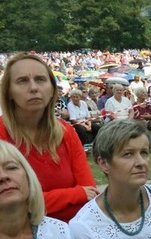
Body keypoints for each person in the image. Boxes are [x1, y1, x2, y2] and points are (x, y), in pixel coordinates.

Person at [0, 52, 97, 222]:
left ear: (52, 89)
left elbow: (90, 193)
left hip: (72, 231)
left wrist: (43, 200)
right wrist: (74, 194)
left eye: (40, 79)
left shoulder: (66, 132)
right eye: (22, 81)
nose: (33, 88)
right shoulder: (2, 135)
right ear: (9, 92)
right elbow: (11, 204)